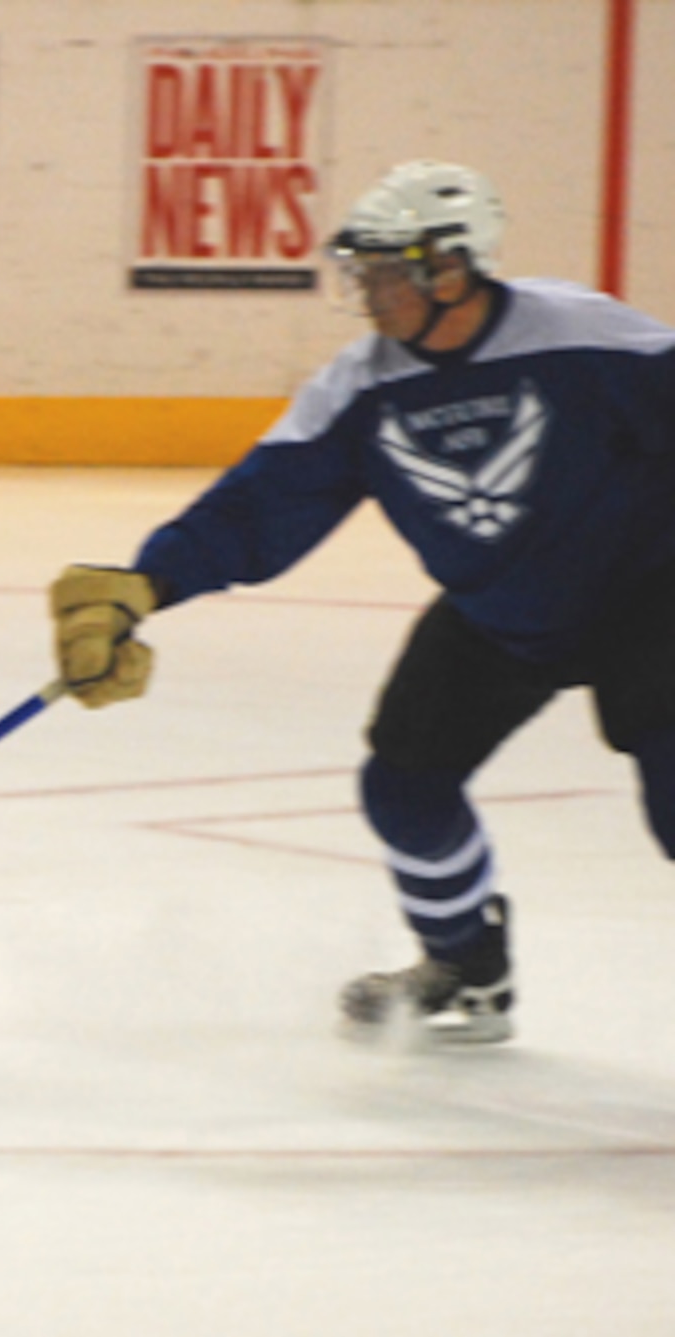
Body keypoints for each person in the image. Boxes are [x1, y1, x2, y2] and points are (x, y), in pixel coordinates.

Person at [48, 160, 675, 1045]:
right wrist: (146, 585)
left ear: (450, 269)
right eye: (363, 270)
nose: (367, 291)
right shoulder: (363, 387)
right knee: (404, 786)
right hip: (501, 609)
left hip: (650, 593)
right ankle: (466, 967)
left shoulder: (583, 337)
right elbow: (263, 501)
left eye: (386, 270)